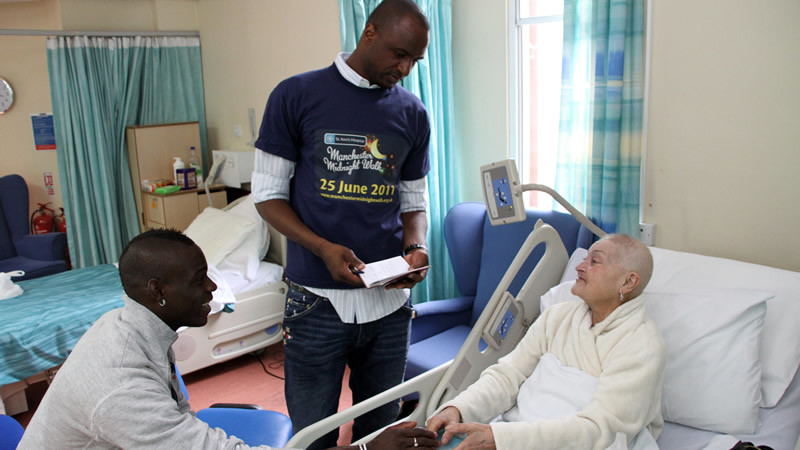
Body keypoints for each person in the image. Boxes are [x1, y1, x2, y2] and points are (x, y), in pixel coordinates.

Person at [19, 229, 439, 450]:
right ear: (157, 290)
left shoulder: (126, 325)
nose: (212, 290)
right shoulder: (120, 390)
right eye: (199, 280)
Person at [251, 0, 432, 448]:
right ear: (368, 32)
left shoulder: (412, 113)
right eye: (398, 53)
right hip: (316, 303)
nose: (405, 68)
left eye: (414, 60)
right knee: (314, 435)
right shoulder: (295, 96)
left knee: (382, 431)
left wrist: (416, 247)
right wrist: (321, 247)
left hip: (390, 305)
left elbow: (413, 200)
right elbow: (267, 196)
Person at [425, 234, 666, 450]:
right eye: (584, 260)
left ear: (627, 282)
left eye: (594, 261)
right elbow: (508, 376)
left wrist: (503, 439)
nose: (580, 267)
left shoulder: (641, 345)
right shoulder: (557, 317)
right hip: (517, 433)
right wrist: (458, 408)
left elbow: (601, 430)